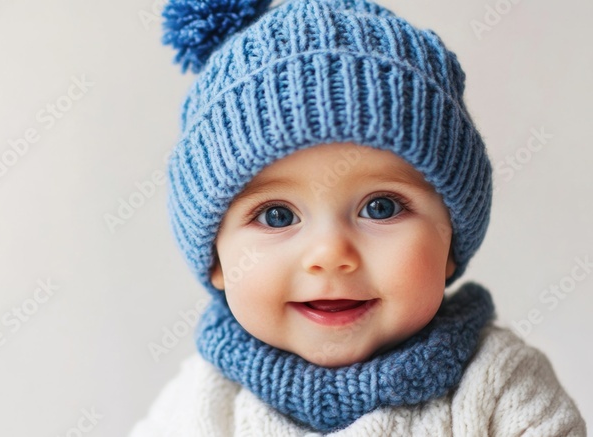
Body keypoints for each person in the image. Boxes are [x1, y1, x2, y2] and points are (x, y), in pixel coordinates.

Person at [130, 0, 587, 434]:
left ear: (451, 241)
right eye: (275, 216)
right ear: (215, 260)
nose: (330, 255)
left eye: (381, 207)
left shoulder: (502, 387)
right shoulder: (197, 404)